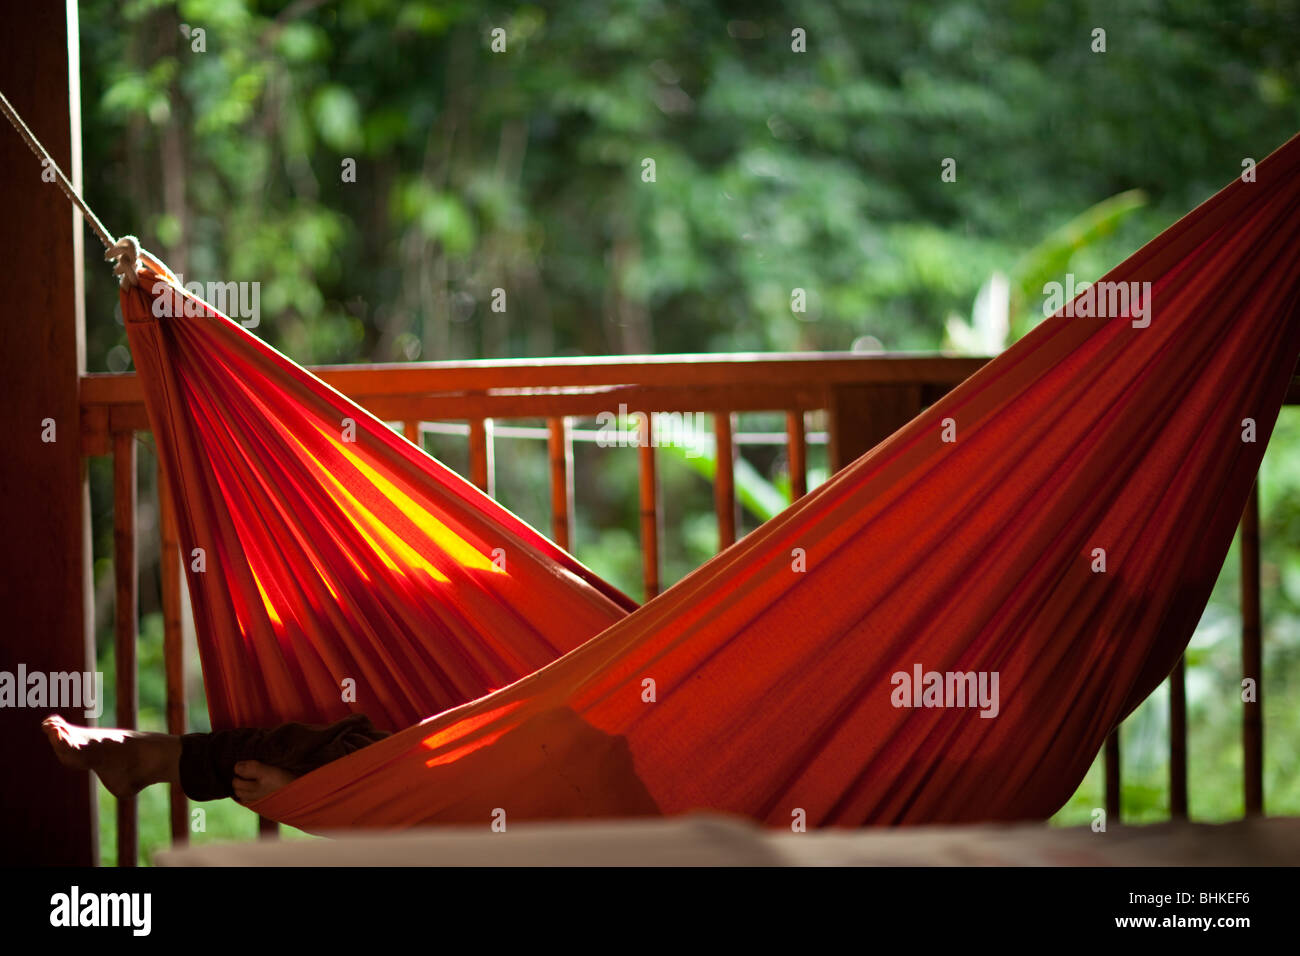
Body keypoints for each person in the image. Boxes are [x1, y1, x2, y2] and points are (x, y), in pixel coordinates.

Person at [41, 712, 388, 804]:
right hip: (422, 778)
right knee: (369, 748)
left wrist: (303, 792)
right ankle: (147, 756)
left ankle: (147, 756)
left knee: (371, 757)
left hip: (425, 789)